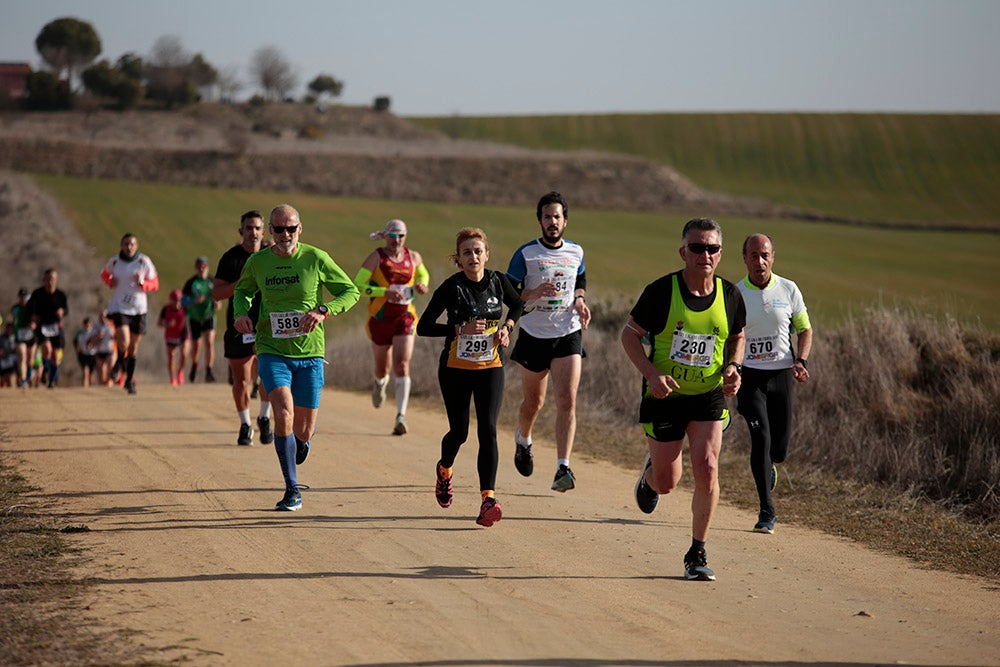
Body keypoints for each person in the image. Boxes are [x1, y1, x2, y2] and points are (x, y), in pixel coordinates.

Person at [620, 217, 746, 581]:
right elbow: (630, 335)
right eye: (696, 247)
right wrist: (651, 374)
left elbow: (737, 337)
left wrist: (733, 367)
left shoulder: (731, 295)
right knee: (668, 482)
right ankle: (649, 479)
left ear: (720, 254)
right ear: (683, 252)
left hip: (708, 396)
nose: (704, 254)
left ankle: (697, 552)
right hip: (665, 397)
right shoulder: (661, 292)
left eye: (711, 248)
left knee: (707, 468)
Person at [233, 204, 359, 511]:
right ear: (270, 231)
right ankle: (291, 489)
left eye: (291, 228)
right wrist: (240, 314)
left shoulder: (316, 258)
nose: (285, 234)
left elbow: (350, 291)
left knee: (303, 429)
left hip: (310, 353)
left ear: (300, 229)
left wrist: (324, 310)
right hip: (271, 349)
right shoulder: (258, 261)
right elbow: (243, 291)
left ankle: (300, 442)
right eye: (278, 229)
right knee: (283, 411)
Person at [417, 227, 523, 528]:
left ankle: (488, 499)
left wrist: (507, 327)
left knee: (488, 429)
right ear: (459, 259)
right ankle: (445, 470)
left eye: (478, 251)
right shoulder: (451, 288)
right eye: (467, 252)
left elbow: (517, 304)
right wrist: (458, 330)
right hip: (455, 369)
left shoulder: (498, 281)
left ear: (486, 255)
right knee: (460, 432)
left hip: (490, 367)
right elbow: (423, 327)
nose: (473, 256)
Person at [506, 191, 591, 492]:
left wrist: (580, 300)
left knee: (567, 400)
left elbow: (579, 280)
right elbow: (510, 293)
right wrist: (531, 293)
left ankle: (562, 468)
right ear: (540, 221)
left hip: (567, 332)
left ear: (565, 220)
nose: (552, 222)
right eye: (547, 217)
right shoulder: (526, 254)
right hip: (533, 334)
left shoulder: (576, 251)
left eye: (557, 217)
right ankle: (523, 439)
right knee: (534, 403)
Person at [736, 233, 813, 535]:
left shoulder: (789, 289)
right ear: (744, 258)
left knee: (778, 451)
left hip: (781, 374)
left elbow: (805, 330)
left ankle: (771, 467)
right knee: (762, 438)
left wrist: (801, 361)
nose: (760, 261)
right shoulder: (736, 293)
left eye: (764, 255)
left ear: (773, 257)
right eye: (753, 255)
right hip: (750, 376)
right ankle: (766, 511)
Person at [354, 219, 430, 436]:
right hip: (380, 318)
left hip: (405, 317)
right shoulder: (376, 258)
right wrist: (383, 293)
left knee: (403, 364)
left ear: (406, 236)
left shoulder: (413, 257)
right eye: (393, 236)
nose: (396, 240)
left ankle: (401, 416)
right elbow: (358, 287)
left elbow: (423, 274)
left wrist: (421, 285)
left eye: (401, 236)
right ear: (385, 236)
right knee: (382, 368)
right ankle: (379, 383)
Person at [213, 210, 273, 447]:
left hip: (267, 325)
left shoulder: (271, 255)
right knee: (242, 379)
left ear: (263, 231)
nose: (253, 232)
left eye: (257, 228)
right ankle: (245, 424)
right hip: (239, 325)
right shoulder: (231, 258)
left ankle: (265, 417)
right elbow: (216, 293)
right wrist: (241, 285)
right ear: (241, 231)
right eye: (249, 228)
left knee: (268, 373)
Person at [101, 232, 160, 394]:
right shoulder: (115, 261)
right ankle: (119, 363)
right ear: (121, 246)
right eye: (126, 244)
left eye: (132, 244)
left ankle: (129, 380)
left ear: (137, 246)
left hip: (139, 309)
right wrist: (110, 282)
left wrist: (144, 284)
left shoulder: (144, 262)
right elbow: (104, 275)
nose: (129, 247)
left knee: (133, 347)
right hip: (120, 307)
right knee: (123, 341)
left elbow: (155, 283)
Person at [28, 268, 69, 388]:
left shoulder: (61, 295)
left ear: (56, 280)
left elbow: (66, 310)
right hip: (42, 325)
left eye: (52, 279)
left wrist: (62, 311)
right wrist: (33, 317)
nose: (50, 282)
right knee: (46, 349)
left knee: (56, 356)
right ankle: (45, 368)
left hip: (55, 326)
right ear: (44, 280)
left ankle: (51, 381)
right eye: (48, 279)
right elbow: (29, 307)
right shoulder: (37, 294)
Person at [183, 256, 218, 383]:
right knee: (196, 345)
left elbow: (219, 296)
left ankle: (209, 370)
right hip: (195, 317)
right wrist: (194, 301)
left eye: (203, 266)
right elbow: (183, 300)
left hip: (209, 316)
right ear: (196, 268)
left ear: (207, 267)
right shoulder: (191, 283)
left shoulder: (212, 281)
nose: (201, 269)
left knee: (209, 342)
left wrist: (217, 304)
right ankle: (194, 365)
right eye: (199, 266)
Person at [158, 289, 189, 386]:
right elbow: (159, 323)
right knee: (171, 357)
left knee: (184, 354)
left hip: (183, 334)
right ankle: (173, 379)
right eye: (175, 300)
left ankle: (180, 371)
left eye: (179, 300)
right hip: (171, 335)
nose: (177, 302)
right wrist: (167, 324)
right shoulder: (165, 309)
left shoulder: (184, 309)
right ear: (170, 300)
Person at [12, 287, 36, 387]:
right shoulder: (15, 308)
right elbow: (15, 319)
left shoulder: (33, 307)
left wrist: (34, 324)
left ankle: (29, 373)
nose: (23, 299)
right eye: (21, 297)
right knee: (22, 356)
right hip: (20, 334)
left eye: (25, 297)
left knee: (30, 360)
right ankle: (23, 380)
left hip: (31, 335)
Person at [89, 310, 116, 386]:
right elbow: (91, 339)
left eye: (105, 316)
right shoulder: (96, 326)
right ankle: (103, 386)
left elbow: (117, 336)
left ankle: (110, 385)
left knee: (110, 369)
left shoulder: (112, 324)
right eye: (101, 316)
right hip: (99, 350)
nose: (103, 318)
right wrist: (98, 336)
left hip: (110, 350)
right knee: (101, 372)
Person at [73, 316, 97, 387]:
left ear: (91, 324)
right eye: (86, 324)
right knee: (85, 372)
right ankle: (84, 388)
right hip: (83, 354)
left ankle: (91, 387)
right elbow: (75, 342)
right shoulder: (80, 333)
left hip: (92, 354)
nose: (87, 325)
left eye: (89, 323)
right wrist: (77, 349)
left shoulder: (94, 332)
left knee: (91, 373)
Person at [0, 321, 17, 387]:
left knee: (11, 376)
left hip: (12, 359)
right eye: (8, 328)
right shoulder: (2, 338)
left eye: (11, 328)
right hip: (3, 360)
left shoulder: (16, 337)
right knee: (3, 377)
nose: (10, 330)